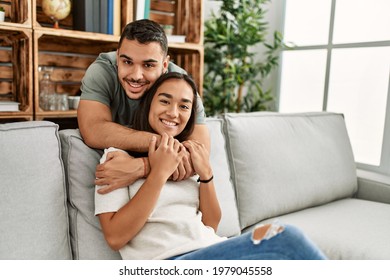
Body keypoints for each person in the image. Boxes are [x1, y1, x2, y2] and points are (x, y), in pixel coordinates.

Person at [94, 72, 327, 260]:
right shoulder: (117, 159)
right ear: (148, 104)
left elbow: (211, 225)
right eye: (165, 101)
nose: (173, 113)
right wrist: (158, 173)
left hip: (211, 249)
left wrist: (206, 175)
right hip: (170, 260)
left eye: (184, 106)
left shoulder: (187, 157)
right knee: (286, 238)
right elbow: (115, 237)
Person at [78, 19, 209, 194]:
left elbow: (200, 153)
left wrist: (143, 166)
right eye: (127, 62)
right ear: (118, 58)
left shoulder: (180, 83)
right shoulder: (102, 71)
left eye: (148, 65)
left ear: (164, 65)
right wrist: (165, 148)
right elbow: (93, 129)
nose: (136, 75)